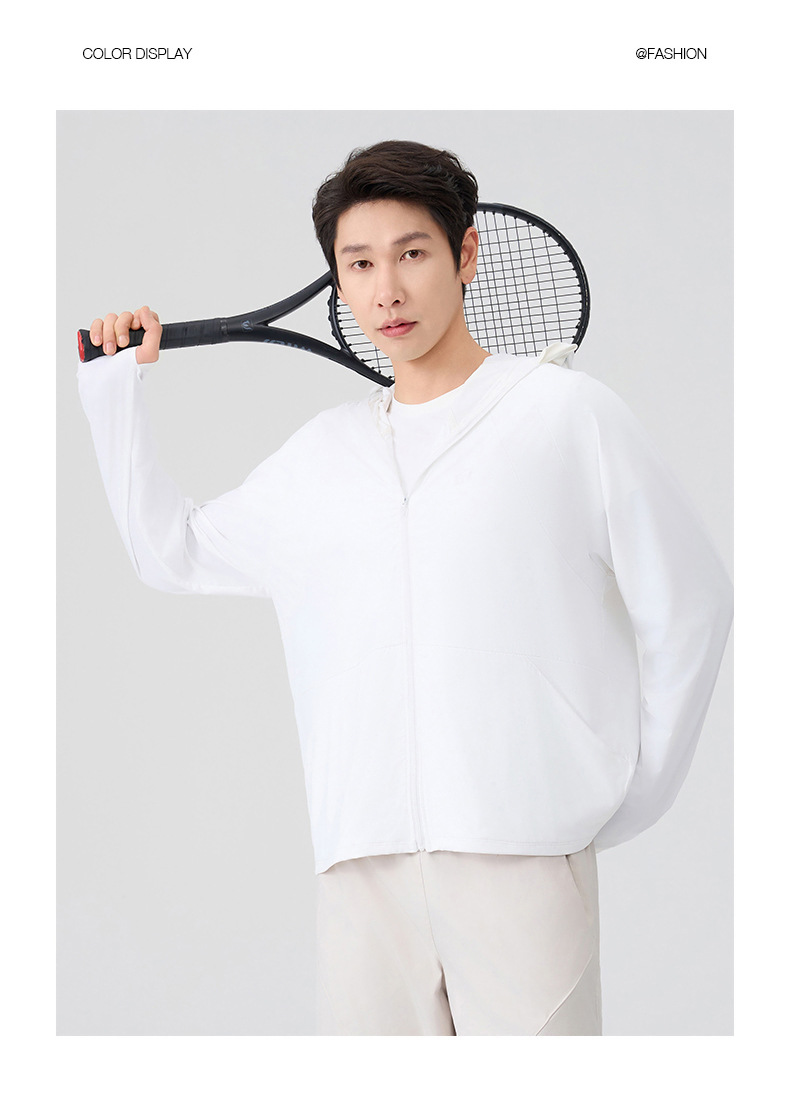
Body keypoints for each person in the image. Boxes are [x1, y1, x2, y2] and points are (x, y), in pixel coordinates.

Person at [76, 139, 734, 1035]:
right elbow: (172, 551)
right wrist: (112, 391)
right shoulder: (321, 457)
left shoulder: (565, 415)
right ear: (339, 280)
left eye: (412, 253)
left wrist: (624, 793)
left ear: (465, 256)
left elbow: (692, 601)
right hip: (362, 872)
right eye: (359, 263)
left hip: (523, 860)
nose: (386, 289)